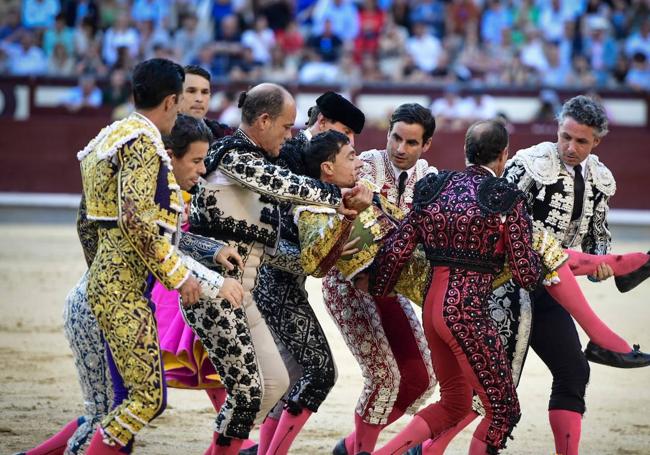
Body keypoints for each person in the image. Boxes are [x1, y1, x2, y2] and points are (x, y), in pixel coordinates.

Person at [189, 82, 367, 454]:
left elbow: (270, 250)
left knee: (272, 384)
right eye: (286, 127)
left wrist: (323, 256)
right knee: (252, 392)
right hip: (214, 289)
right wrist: (339, 198)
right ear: (264, 120)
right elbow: (282, 184)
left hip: (243, 292)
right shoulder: (235, 155)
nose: (291, 134)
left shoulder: (258, 159)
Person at [369, 119, 542, 455]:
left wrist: (380, 287)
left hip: (433, 311)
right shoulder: (506, 198)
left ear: (465, 151)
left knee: (455, 402)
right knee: (503, 410)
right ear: (504, 155)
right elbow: (526, 275)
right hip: (467, 314)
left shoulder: (434, 187)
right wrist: (539, 260)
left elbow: (396, 251)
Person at [251, 91, 366, 455]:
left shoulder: (311, 156)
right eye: (343, 131)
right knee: (317, 373)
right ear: (322, 123)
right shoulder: (288, 154)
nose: (348, 143)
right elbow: (271, 229)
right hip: (271, 278)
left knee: (289, 379)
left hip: (281, 281)